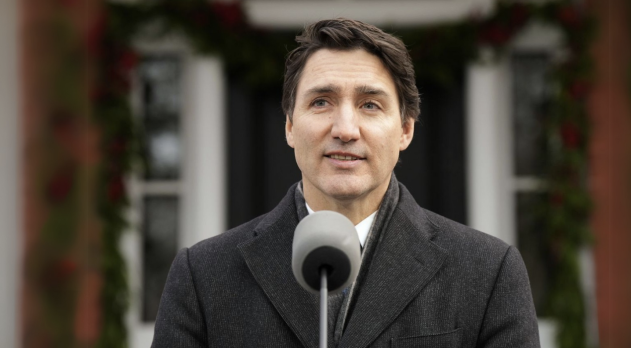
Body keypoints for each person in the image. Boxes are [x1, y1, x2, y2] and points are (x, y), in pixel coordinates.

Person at [152, 18, 540, 348]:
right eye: (321, 102)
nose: (345, 129)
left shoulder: (488, 274)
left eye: (370, 105)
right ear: (290, 126)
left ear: (405, 130)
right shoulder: (202, 276)